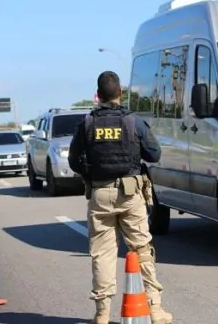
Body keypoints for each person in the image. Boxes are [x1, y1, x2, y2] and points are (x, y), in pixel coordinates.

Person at [68, 71, 173, 324]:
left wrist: (92, 174)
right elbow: (154, 154)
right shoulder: (133, 122)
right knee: (142, 249)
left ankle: (102, 313)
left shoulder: (87, 124)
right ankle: (155, 310)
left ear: (98, 95)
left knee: (102, 254)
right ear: (121, 93)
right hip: (130, 193)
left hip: (100, 193)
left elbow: (73, 161)